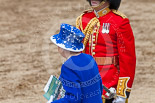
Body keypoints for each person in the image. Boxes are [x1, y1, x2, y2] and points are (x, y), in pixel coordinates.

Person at [76, 0, 136, 103]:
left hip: (108, 84)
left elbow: (127, 60)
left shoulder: (119, 21)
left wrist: (122, 93)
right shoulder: (83, 19)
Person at [50, 23, 103, 103]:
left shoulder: (68, 66)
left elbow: (73, 98)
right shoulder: (90, 58)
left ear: (61, 47)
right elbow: (100, 87)